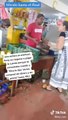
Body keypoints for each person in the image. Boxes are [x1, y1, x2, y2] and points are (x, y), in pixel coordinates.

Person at [44, 20, 68, 92]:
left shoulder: (63, 34)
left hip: (62, 59)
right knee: (63, 72)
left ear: (64, 26)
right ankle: (60, 87)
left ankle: (50, 86)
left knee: (57, 71)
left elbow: (59, 47)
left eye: (60, 25)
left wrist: (51, 44)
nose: (58, 26)